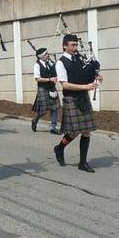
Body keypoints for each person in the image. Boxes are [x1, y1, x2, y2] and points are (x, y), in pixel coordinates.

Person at [52, 34, 102, 173]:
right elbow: (66, 85)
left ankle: (83, 162)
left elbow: (84, 75)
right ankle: (60, 147)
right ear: (65, 46)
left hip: (83, 97)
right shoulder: (61, 63)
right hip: (72, 98)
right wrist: (86, 87)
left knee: (86, 130)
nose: (76, 47)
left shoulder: (79, 59)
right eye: (73, 45)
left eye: (76, 45)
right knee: (75, 131)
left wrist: (96, 76)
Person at [31, 48, 60, 134]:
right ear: (42, 56)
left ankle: (53, 128)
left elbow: (54, 73)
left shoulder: (50, 63)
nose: (48, 55)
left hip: (52, 88)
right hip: (43, 89)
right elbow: (37, 79)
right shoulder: (37, 65)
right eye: (46, 54)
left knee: (54, 108)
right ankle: (35, 120)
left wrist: (56, 77)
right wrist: (50, 79)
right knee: (43, 110)